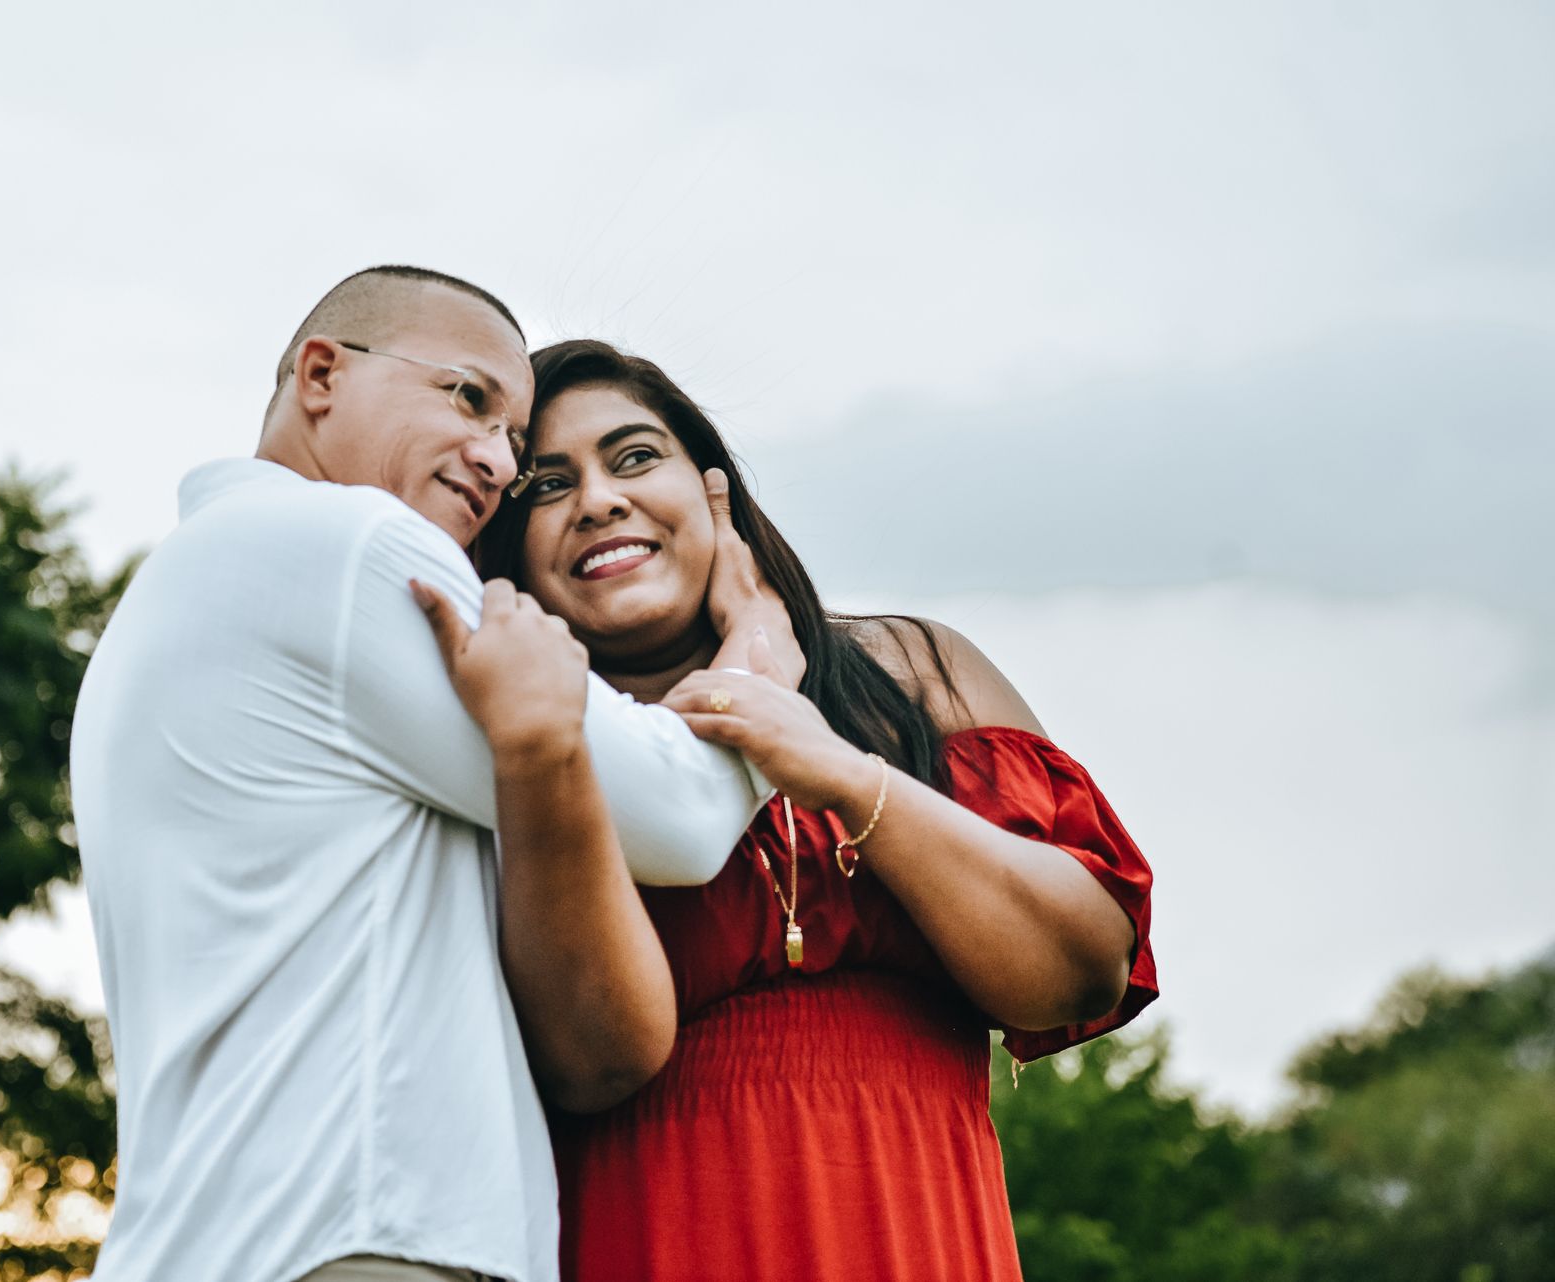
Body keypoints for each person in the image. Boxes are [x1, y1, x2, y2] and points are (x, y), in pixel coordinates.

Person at [68, 273, 774, 1282]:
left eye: (513, 444)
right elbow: (684, 811)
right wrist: (758, 654)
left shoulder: (181, 589)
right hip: (354, 1240)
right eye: (469, 398)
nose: (495, 459)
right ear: (321, 375)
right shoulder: (346, 543)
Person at [442, 339, 1160, 1281]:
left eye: (634, 457)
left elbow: (1080, 969)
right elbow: (585, 1060)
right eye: (544, 485)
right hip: (649, 1234)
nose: (599, 500)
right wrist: (737, 668)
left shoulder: (911, 672)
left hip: (924, 1235)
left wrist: (837, 769)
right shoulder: (522, 754)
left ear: (714, 494)